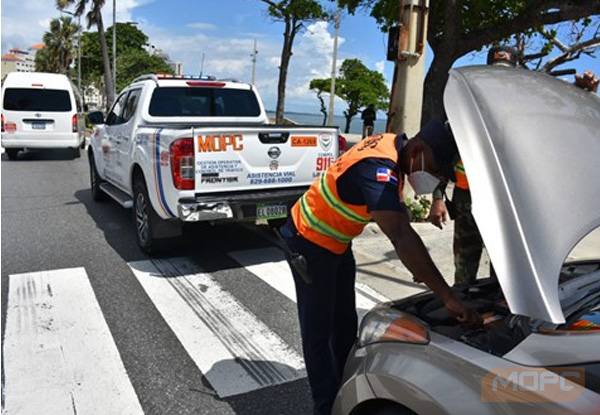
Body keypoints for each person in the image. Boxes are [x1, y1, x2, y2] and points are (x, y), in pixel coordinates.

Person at [279, 121, 482, 415]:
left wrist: (416, 263)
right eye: (436, 170)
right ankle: (325, 406)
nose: (435, 177)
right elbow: (400, 233)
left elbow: (396, 212)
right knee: (318, 331)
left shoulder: (394, 147)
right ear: (418, 151)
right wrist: (448, 297)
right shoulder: (377, 167)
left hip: (337, 242)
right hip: (308, 242)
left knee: (345, 322)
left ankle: (345, 391)